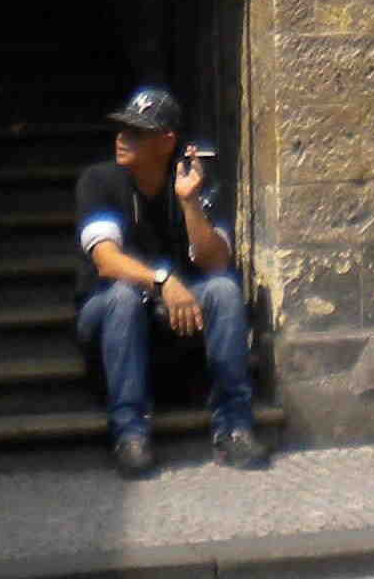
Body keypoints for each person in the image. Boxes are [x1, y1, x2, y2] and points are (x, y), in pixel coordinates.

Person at [75, 82, 270, 478]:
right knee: (122, 297)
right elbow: (106, 261)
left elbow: (216, 261)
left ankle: (235, 426)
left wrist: (189, 202)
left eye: (136, 132)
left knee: (224, 290)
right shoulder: (99, 181)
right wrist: (163, 281)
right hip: (108, 311)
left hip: (178, 313)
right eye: (122, 128)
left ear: (166, 142)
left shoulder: (195, 183)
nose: (122, 137)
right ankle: (130, 433)